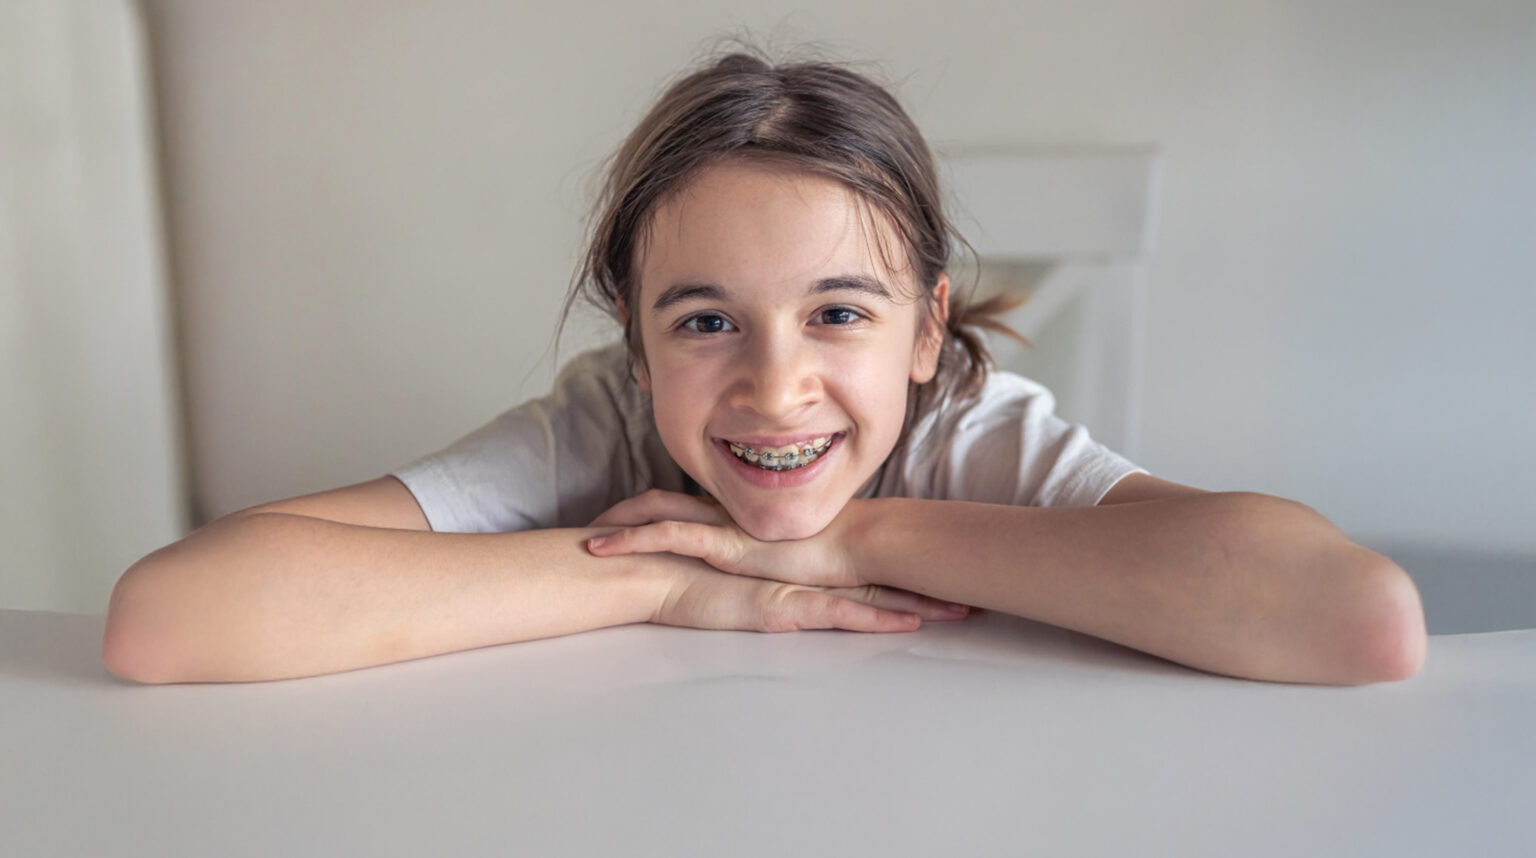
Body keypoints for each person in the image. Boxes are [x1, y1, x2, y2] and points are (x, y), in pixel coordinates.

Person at [102, 46, 1426, 687]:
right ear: (636, 341)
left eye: (840, 313)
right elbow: (170, 616)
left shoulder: (967, 435)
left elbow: (1356, 616)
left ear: (926, 331)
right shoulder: (604, 431)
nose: (775, 387)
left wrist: (860, 543)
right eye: (705, 320)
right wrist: (662, 585)